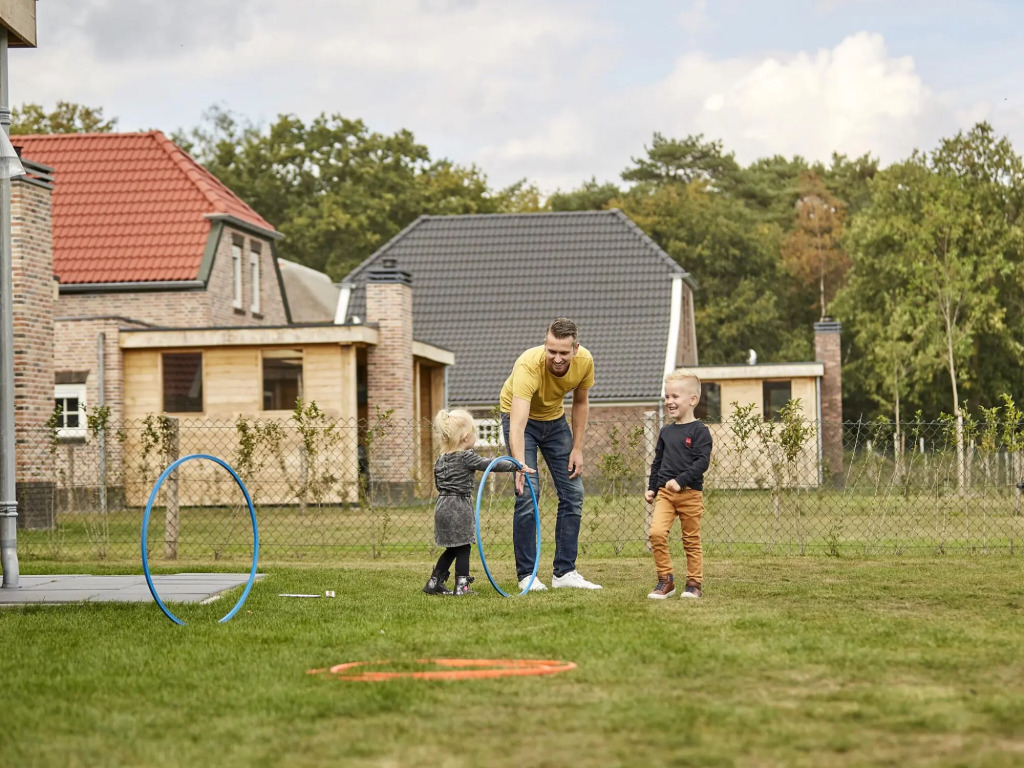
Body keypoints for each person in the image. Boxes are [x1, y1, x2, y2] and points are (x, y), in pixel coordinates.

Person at [499, 318, 601, 591]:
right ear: (545, 344)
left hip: (555, 421)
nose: (556, 358)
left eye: (563, 352)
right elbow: (518, 424)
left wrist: (577, 448)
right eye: (551, 350)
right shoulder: (528, 365)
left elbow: (581, 403)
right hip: (520, 421)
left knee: (573, 493)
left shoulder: (585, 361)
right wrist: (519, 465)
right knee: (528, 494)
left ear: (575, 348)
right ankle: (527, 576)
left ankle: (565, 572)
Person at [423, 409, 533, 596]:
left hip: (442, 505)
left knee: (453, 547)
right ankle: (462, 586)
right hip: (459, 506)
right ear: (466, 437)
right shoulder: (466, 456)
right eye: (474, 433)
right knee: (464, 546)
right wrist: (516, 465)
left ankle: (434, 582)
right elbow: (490, 464)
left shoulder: (440, 459)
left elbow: (438, 484)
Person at [645, 368, 713, 599]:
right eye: (667, 396)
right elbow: (658, 462)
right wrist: (652, 488)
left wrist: (680, 481)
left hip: (690, 494)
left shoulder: (700, 431)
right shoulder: (666, 432)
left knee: (691, 541)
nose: (669, 401)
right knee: (656, 533)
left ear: (692, 400)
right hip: (665, 494)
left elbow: (702, 462)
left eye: (675, 396)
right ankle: (666, 580)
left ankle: (694, 584)